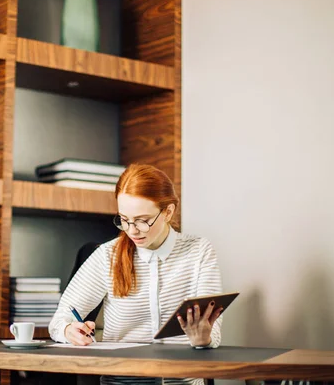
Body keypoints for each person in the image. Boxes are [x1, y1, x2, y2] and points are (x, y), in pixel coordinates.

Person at [48, 164, 224, 385]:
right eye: (124, 219)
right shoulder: (107, 256)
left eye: (142, 220)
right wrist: (68, 330)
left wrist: (202, 339)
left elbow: (214, 335)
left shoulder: (199, 251)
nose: (132, 230)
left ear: (168, 212)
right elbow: (59, 320)